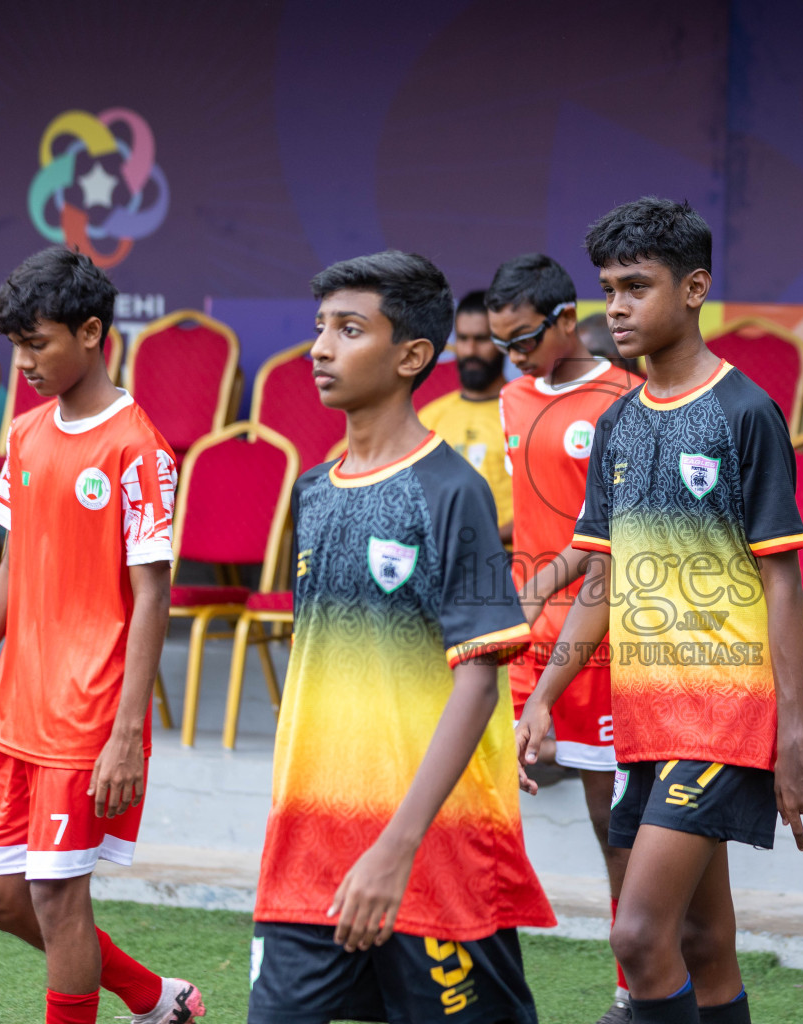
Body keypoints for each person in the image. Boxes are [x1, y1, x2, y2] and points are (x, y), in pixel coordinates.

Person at [517, 197, 803, 1024]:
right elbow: (605, 582)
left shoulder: (745, 413)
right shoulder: (618, 422)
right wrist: (546, 697)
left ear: (694, 289)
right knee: (702, 940)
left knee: (636, 935)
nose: (615, 307)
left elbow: (782, 583)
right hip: (648, 715)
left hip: (725, 716)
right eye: (607, 289)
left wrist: (793, 734)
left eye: (636, 286)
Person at [248, 252, 553, 1024]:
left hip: (429, 853)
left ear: (414, 355)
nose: (321, 347)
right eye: (320, 327)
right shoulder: (311, 491)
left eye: (349, 329)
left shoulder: (456, 493)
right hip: (309, 847)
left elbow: (479, 680)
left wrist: (395, 848)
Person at [0, 248, 200, 1024]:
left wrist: (127, 734)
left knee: (57, 896)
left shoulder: (139, 448)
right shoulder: (28, 433)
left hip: (87, 716)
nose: (26, 361)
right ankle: (154, 997)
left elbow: (153, 597)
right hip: (17, 709)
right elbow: (11, 568)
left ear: (92, 332)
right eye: (17, 345)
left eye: (39, 343)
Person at [489, 253, 642, 1024]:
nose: (509, 358)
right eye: (500, 344)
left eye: (520, 340)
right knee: (473, 795)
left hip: (602, 628)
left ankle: (633, 981)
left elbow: (613, 542)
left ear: (565, 319)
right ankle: (470, 974)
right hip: (524, 629)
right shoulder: (514, 398)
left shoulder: (624, 397)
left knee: (609, 819)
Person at [418, 289, 514, 542]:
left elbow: (546, 503)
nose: (471, 350)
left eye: (482, 339)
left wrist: (484, 537)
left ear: (503, 341)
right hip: (441, 559)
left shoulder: (525, 413)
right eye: (463, 338)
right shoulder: (429, 417)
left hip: (510, 558)